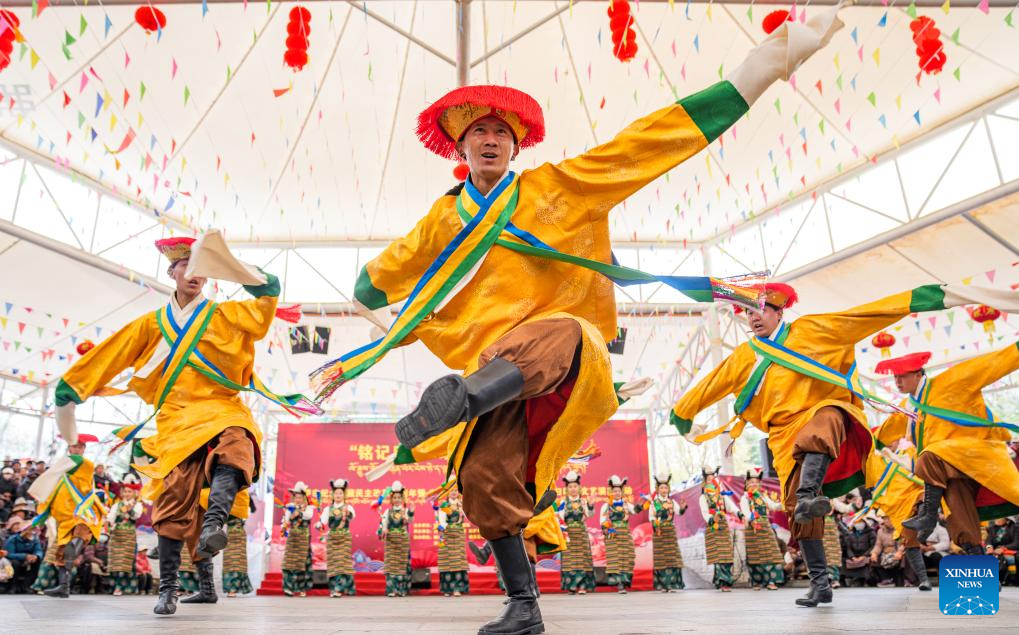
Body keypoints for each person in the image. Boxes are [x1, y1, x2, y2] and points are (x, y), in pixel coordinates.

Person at [310, 8, 845, 634]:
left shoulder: (558, 187)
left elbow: (645, 145)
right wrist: (418, 322)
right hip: (494, 377)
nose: (489, 139)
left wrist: (762, 69)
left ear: (515, 146)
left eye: (501, 132)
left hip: (568, 351)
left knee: (551, 331)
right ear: (459, 148)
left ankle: (461, 400)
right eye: (477, 131)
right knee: (482, 479)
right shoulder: (439, 223)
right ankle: (525, 608)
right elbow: (369, 285)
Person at [672, 281, 1019, 607]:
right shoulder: (745, 356)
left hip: (955, 453)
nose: (752, 316)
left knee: (832, 415)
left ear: (779, 311)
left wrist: (933, 296)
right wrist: (682, 416)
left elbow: (866, 315)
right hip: (783, 439)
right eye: (747, 312)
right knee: (799, 513)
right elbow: (710, 384)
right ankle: (821, 583)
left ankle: (906, 512)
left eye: (760, 309)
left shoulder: (813, 331)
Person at [52, 234, 316, 615]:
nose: (193, 275)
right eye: (185, 267)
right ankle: (170, 588)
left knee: (239, 442)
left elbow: (268, 293)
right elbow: (111, 355)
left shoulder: (227, 315)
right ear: (171, 271)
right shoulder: (150, 325)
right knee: (174, 502)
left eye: (201, 269)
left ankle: (214, 523)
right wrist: (73, 386)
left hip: (223, 407)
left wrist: (232, 266)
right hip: (176, 419)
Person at [889, 344, 1019, 562]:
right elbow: (888, 428)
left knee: (930, 454)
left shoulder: (951, 380)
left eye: (902, 376)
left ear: (919, 374)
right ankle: (985, 578)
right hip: (949, 470)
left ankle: (928, 516)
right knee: (960, 522)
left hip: (975, 455)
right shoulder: (911, 406)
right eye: (895, 377)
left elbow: (993, 363)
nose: (897, 382)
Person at [28, 434, 105, 598]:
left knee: (78, 537)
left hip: (82, 514)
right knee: (61, 553)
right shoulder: (61, 473)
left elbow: (74, 461)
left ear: (84, 449)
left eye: (79, 446)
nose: (76, 449)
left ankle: (73, 552)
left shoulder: (85, 464)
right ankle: (64, 587)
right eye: (74, 446)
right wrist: (42, 516)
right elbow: (53, 494)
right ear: (69, 447)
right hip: (63, 519)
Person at [740, 468, 784, 590]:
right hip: (753, 528)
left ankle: (771, 581)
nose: (754, 484)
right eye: (751, 482)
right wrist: (753, 517)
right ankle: (757, 582)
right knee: (756, 555)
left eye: (756, 482)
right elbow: (746, 513)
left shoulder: (763, 496)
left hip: (765, 526)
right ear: (747, 483)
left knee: (772, 553)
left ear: (759, 484)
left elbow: (773, 506)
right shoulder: (745, 498)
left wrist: (783, 503)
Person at [699, 467, 740, 592]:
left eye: (713, 477)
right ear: (705, 481)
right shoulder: (703, 497)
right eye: (709, 478)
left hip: (723, 526)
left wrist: (740, 514)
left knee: (726, 555)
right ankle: (722, 582)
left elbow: (732, 507)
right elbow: (705, 513)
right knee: (719, 556)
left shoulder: (722, 495)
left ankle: (723, 581)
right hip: (713, 527)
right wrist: (712, 519)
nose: (712, 480)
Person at [555, 471, 595, 595]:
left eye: (575, 486)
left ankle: (582, 586)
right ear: (567, 489)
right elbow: (559, 517)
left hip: (581, 533)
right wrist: (562, 528)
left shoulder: (583, 502)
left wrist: (591, 506)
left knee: (582, 560)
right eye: (570, 487)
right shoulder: (563, 502)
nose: (573, 489)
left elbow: (589, 514)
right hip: (568, 535)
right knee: (570, 560)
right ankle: (571, 586)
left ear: (579, 488)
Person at [600, 475, 641, 593]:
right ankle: (619, 584)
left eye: (619, 491)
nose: (617, 493)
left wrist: (642, 504)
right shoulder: (606, 506)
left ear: (622, 492)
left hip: (625, 533)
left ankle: (625, 581)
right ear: (611, 492)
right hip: (612, 533)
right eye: (614, 491)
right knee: (615, 558)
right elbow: (602, 520)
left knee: (627, 557)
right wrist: (605, 528)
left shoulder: (626, 505)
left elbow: (635, 511)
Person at [646, 472, 685, 593]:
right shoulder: (654, 503)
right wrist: (655, 525)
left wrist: (683, 507)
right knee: (661, 559)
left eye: (666, 487)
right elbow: (651, 517)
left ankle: (673, 584)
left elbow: (679, 512)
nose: (664, 490)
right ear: (658, 489)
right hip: (659, 533)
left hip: (670, 532)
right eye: (661, 487)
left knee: (672, 558)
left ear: (668, 489)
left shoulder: (672, 502)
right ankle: (663, 585)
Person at [317, 478, 356, 598]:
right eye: (336, 493)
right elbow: (322, 522)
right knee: (334, 564)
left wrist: (347, 514)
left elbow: (352, 516)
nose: (338, 495)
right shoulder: (328, 509)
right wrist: (319, 525)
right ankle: (337, 588)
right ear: (333, 495)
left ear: (344, 495)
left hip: (344, 537)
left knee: (341, 562)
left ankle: (338, 588)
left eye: (340, 493)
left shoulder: (348, 507)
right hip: (332, 538)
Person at [107, 474, 144, 596]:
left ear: (133, 493)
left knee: (125, 563)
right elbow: (110, 519)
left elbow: (136, 516)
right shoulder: (116, 505)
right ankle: (118, 586)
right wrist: (108, 524)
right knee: (115, 563)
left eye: (129, 491)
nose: (127, 494)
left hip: (128, 537)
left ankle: (121, 587)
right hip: (117, 536)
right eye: (125, 491)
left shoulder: (137, 505)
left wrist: (129, 508)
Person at [378, 481, 414, 597]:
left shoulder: (405, 511)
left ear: (402, 498)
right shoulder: (388, 511)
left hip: (402, 542)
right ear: (391, 499)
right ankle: (391, 590)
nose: (397, 499)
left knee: (401, 566)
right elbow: (383, 523)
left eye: (399, 497)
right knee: (391, 566)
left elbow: (410, 521)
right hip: (391, 542)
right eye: (395, 497)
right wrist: (383, 530)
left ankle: (401, 590)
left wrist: (411, 512)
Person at [281, 482, 315, 597]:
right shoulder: (289, 507)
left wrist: (298, 512)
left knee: (301, 565)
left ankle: (302, 588)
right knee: (288, 563)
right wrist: (288, 519)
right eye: (296, 497)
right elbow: (286, 521)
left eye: (300, 497)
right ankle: (288, 588)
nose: (298, 499)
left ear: (304, 497)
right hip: (292, 538)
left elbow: (308, 516)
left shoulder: (309, 507)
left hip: (303, 539)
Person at [436, 489, 470, 597]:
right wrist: (448, 527)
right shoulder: (445, 505)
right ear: (447, 493)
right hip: (447, 535)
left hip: (458, 536)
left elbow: (467, 516)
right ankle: (447, 589)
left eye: (455, 490)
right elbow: (442, 521)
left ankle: (457, 588)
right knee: (447, 562)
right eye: (451, 491)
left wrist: (463, 508)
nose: (454, 493)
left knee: (458, 562)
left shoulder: (461, 504)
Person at [222, 496, 256, 598]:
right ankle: (230, 589)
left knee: (237, 562)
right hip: (230, 532)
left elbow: (253, 509)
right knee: (229, 561)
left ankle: (233, 589)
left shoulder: (244, 495)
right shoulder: (226, 494)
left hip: (239, 532)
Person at [3, 520, 43, 593]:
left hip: (29, 559)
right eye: (30, 529)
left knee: (38, 561)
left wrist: (36, 556)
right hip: (15, 559)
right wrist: (25, 556)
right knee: (15, 563)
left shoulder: (35, 539)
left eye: (33, 529)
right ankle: (13, 586)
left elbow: (38, 550)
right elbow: (9, 554)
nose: (32, 531)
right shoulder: (13, 539)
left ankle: (26, 585)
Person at [870, 514, 904, 587]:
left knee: (904, 557)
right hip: (885, 551)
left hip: (897, 550)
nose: (888, 520)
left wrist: (899, 552)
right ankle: (886, 579)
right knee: (874, 559)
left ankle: (906, 580)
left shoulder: (899, 529)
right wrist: (874, 553)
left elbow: (902, 543)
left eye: (890, 518)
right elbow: (878, 545)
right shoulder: (880, 531)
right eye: (886, 519)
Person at [841, 516, 875, 587]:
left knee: (865, 562)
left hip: (865, 554)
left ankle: (862, 579)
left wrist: (864, 556)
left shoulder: (870, 533)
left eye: (860, 522)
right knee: (844, 561)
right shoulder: (851, 534)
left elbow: (873, 546)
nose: (859, 524)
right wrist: (852, 556)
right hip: (854, 555)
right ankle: (851, 579)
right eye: (857, 522)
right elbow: (848, 547)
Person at [986, 517, 1019, 586]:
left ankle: (1001, 580)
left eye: (999, 518)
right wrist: (989, 547)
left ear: (1007, 519)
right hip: (995, 550)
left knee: (1005, 559)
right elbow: (989, 540)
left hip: (1010, 549)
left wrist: (1003, 548)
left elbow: (1016, 543)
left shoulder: (1015, 527)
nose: (996, 520)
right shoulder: (992, 528)